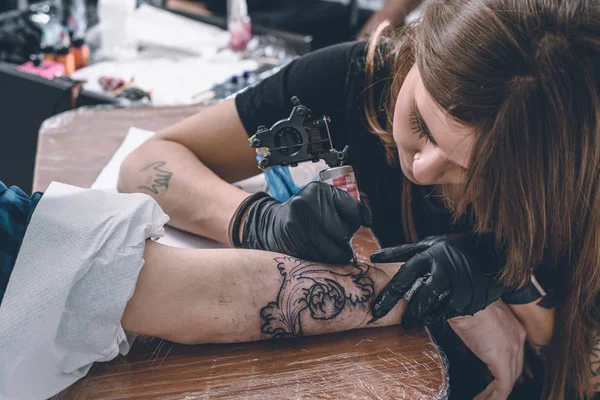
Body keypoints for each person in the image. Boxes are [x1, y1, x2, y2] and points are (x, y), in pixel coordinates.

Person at [118, 0, 600, 398]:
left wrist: (513, 285)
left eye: (473, 172)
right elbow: (147, 164)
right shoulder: (351, 83)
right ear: (414, 56)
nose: (422, 168)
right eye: (420, 123)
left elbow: (573, 355)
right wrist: (253, 220)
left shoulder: (580, 174)